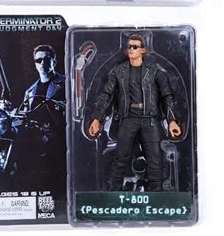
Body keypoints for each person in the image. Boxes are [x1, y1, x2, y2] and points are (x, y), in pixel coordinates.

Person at [88, 34, 182, 191]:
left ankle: (156, 197)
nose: (131, 49)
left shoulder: (155, 71)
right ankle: (114, 195)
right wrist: (97, 119)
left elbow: (167, 96)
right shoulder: (118, 71)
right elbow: (106, 95)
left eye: (135, 47)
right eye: (129, 46)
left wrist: (172, 121)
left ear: (143, 50)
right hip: (128, 119)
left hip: (149, 120)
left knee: (155, 162)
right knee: (119, 160)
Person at [14, 45, 66, 189]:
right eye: (39, 60)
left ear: (54, 61)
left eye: (47, 59)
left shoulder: (66, 83)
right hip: (35, 141)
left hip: (58, 139)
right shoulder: (30, 91)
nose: (43, 63)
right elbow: (24, 115)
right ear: (35, 64)